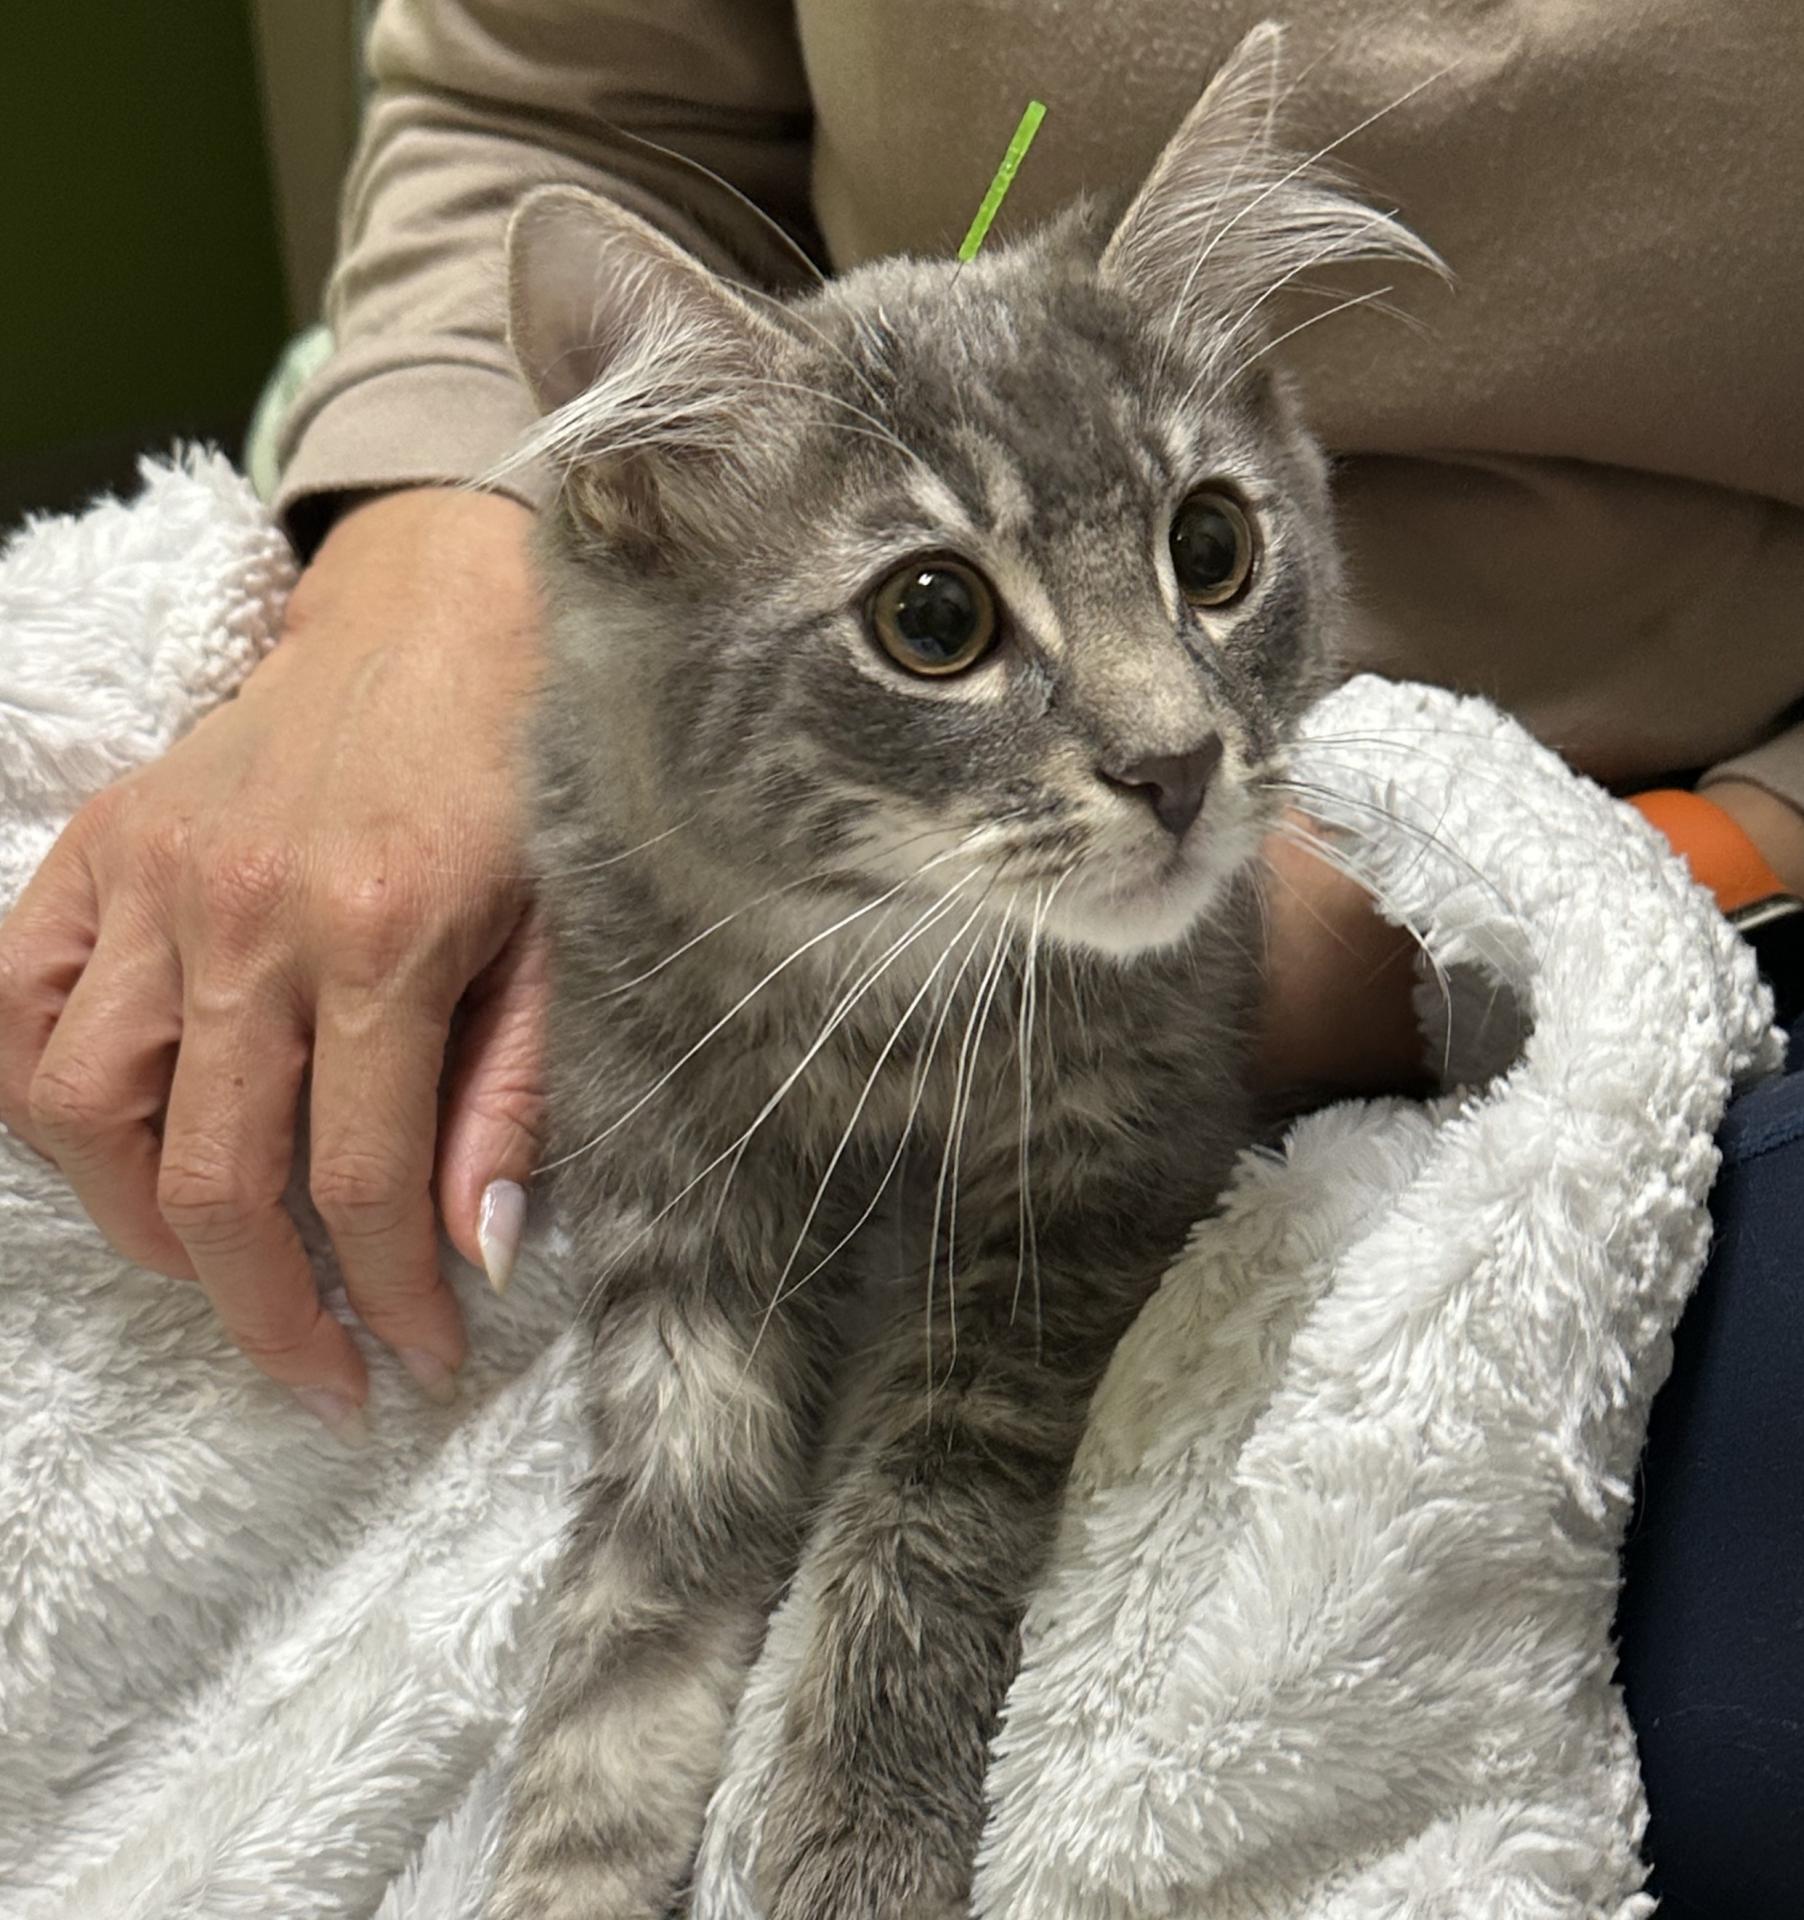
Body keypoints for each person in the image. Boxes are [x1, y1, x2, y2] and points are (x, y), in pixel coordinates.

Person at [0, 0, 1798, 1901]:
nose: (1164, 735)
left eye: (1206, 556)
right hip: (731, 713)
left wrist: (1649, 864)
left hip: (1670, 843)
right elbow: (536, 108)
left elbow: (1014, 1329)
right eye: (943, 618)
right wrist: (407, 582)